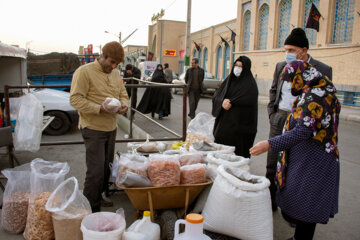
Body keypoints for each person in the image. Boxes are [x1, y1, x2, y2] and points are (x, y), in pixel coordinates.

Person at [250, 60, 341, 240]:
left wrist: (268, 144)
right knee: (304, 202)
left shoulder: (315, 96)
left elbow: (303, 130)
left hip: (315, 159)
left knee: (307, 204)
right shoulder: (316, 90)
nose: (291, 85)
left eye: (292, 80)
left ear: (302, 76)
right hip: (309, 157)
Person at [266, 28, 332, 211]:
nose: (288, 54)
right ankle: (270, 203)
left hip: (303, 123)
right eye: (285, 50)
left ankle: (293, 209)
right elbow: (273, 90)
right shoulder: (281, 66)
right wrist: (273, 114)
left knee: (296, 166)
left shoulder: (322, 69)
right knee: (272, 163)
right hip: (280, 117)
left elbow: (326, 100)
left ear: (304, 50)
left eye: (292, 50)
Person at [70, 41, 129, 212]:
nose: (114, 66)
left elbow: (123, 95)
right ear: (102, 56)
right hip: (92, 128)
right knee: (95, 172)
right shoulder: (84, 72)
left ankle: (99, 196)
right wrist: (99, 108)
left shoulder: (116, 73)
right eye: (111, 62)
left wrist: (124, 105)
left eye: (117, 64)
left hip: (111, 128)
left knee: (106, 169)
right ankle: (90, 210)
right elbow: (75, 99)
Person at [212, 56, 258, 158]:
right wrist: (222, 102)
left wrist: (232, 102)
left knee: (237, 157)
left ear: (246, 68)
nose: (237, 68)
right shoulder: (229, 80)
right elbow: (217, 96)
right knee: (221, 154)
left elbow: (248, 100)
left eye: (240, 66)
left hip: (241, 129)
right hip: (224, 127)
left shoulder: (250, 85)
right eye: (236, 65)